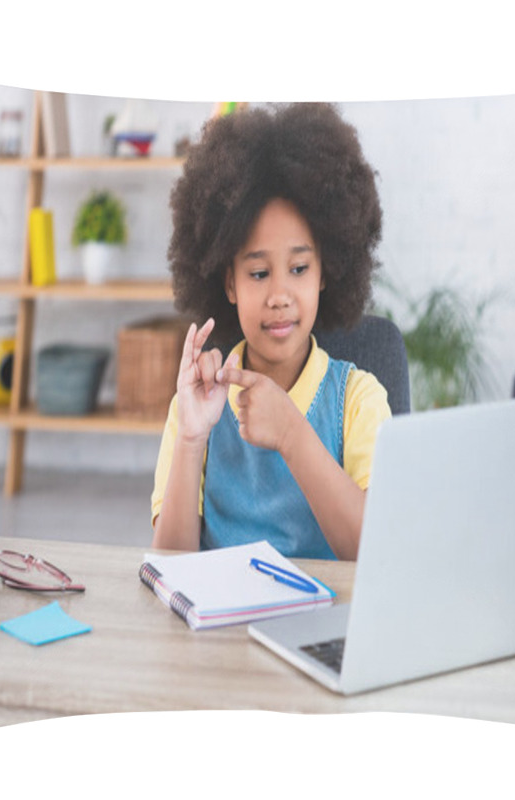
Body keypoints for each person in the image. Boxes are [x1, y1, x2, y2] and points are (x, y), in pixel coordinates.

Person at [151, 103, 391, 560]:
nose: (280, 294)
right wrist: (191, 438)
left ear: (326, 272)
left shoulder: (359, 400)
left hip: (319, 627)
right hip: (218, 631)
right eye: (259, 273)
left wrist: (290, 434)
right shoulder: (195, 408)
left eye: (298, 268)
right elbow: (169, 565)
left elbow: (375, 553)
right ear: (229, 283)